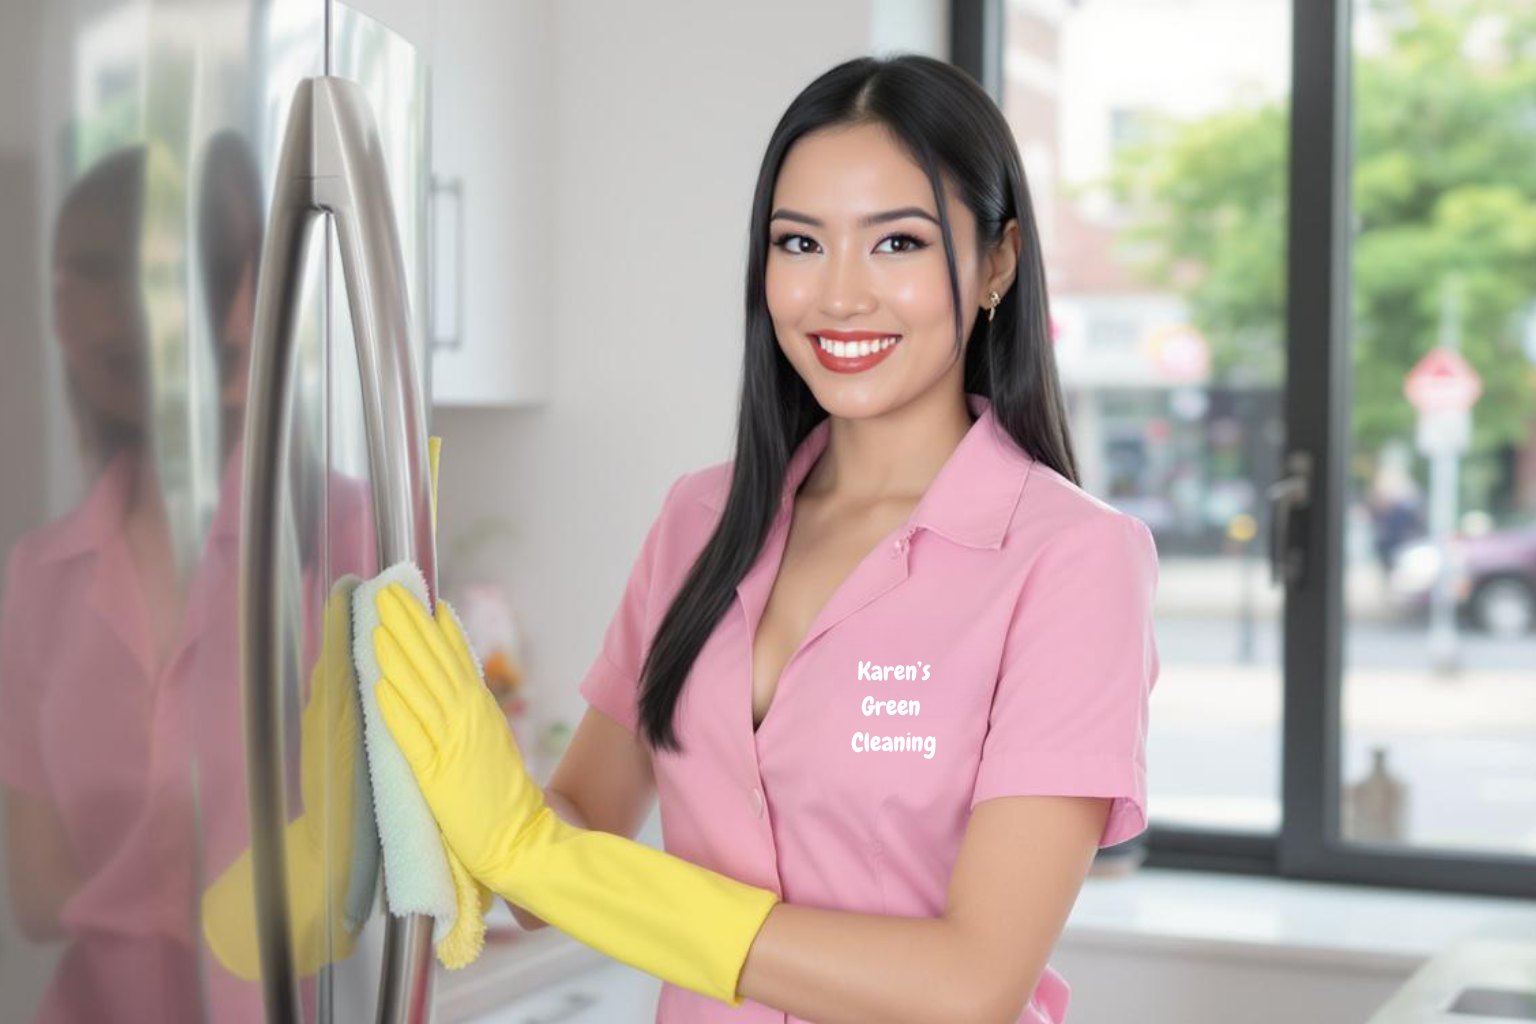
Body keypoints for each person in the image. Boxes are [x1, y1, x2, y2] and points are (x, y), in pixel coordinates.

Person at [369, 53, 1160, 1024]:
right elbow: (553, 858)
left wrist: (554, 859)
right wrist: (442, 765)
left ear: (997, 261)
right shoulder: (699, 523)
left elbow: (971, 984)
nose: (838, 296)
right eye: (799, 243)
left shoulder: (1072, 561)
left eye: (898, 244)